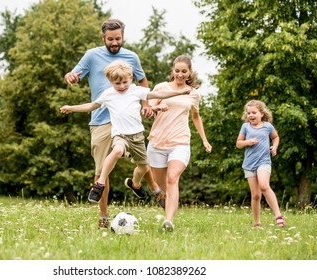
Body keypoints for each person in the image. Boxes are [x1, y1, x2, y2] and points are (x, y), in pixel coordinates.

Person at [64, 19, 163, 228]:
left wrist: (147, 105)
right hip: (100, 121)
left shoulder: (131, 57)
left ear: (122, 36)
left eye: (118, 38)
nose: (114, 42)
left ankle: (154, 189)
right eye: (110, 39)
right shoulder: (92, 55)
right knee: (101, 171)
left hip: (127, 118)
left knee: (142, 158)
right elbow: (73, 74)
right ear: (103, 38)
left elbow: (143, 82)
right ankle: (103, 215)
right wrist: (71, 77)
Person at [60, 60, 191, 208]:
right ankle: (100, 184)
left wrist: (179, 92)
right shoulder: (108, 94)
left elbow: (157, 93)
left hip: (137, 137)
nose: (122, 86)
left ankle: (135, 184)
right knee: (116, 151)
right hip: (120, 135)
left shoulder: (135, 90)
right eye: (117, 83)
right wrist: (72, 108)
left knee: (143, 167)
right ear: (110, 81)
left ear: (130, 78)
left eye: (124, 82)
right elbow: (91, 106)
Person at [146, 55, 212, 232]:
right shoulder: (162, 87)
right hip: (157, 142)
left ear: (189, 72)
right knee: (162, 188)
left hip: (180, 142)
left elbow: (196, 117)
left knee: (172, 178)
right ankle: (166, 203)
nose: (180, 74)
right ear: (172, 71)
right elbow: (148, 108)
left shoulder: (193, 94)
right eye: (177, 71)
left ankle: (168, 220)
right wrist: (155, 108)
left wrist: (204, 140)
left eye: (184, 71)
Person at [236, 100, 286, 228]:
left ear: (261, 113)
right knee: (256, 195)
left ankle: (278, 216)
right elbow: (238, 143)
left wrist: (274, 147)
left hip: (264, 161)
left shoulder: (267, 126)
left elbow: (275, 137)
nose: (251, 115)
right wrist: (248, 142)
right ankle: (257, 223)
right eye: (248, 113)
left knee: (264, 186)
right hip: (249, 164)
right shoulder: (245, 127)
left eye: (254, 112)